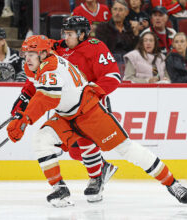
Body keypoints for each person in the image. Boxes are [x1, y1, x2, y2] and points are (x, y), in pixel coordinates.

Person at [7, 35, 187, 207]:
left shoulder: (52, 68)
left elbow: (46, 98)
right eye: (25, 54)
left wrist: (23, 120)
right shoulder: (38, 63)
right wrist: (22, 104)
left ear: (43, 54)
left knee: (126, 149)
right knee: (41, 140)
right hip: (66, 116)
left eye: (31, 54)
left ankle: (172, 183)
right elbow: (34, 86)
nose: (27, 58)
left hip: (90, 113)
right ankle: (59, 189)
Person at [52, 16, 120, 202]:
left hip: (92, 107)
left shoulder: (96, 47)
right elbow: (43, 50)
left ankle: (95, 179)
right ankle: (103, 167)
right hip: (68, 108)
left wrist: (90, 94)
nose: (66, 37)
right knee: (74, 152)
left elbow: (113, 77)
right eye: (64, 33)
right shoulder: (60, 47)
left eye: (70, 33)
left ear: (82, 34)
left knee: (85, 141)